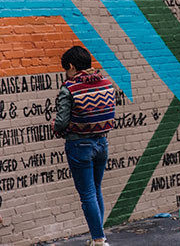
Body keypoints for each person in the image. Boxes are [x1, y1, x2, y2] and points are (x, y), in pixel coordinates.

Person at [52, 46, 116, 246]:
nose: (66, 74)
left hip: (79, 145)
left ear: (71, 66)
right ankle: (99, 236)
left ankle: (98, 239)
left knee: (87, 194)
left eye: (66, 69)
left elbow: (62, 122)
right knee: (96, 190)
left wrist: (55, 126)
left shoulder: (68, 88)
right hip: (101, 142)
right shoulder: (106, 83)